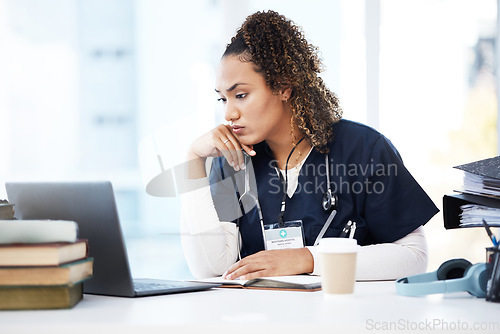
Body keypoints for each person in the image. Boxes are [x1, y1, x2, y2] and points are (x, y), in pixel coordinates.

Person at [180, 10, 439, 281]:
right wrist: (193, 160)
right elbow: (210, 269)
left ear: (283, 87)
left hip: (342, 317)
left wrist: (307, 259)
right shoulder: (231, 161)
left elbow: (413, 257)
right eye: (223, 99)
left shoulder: (364, 149)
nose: (229, 114)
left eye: (241, 95)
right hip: (259, 319)